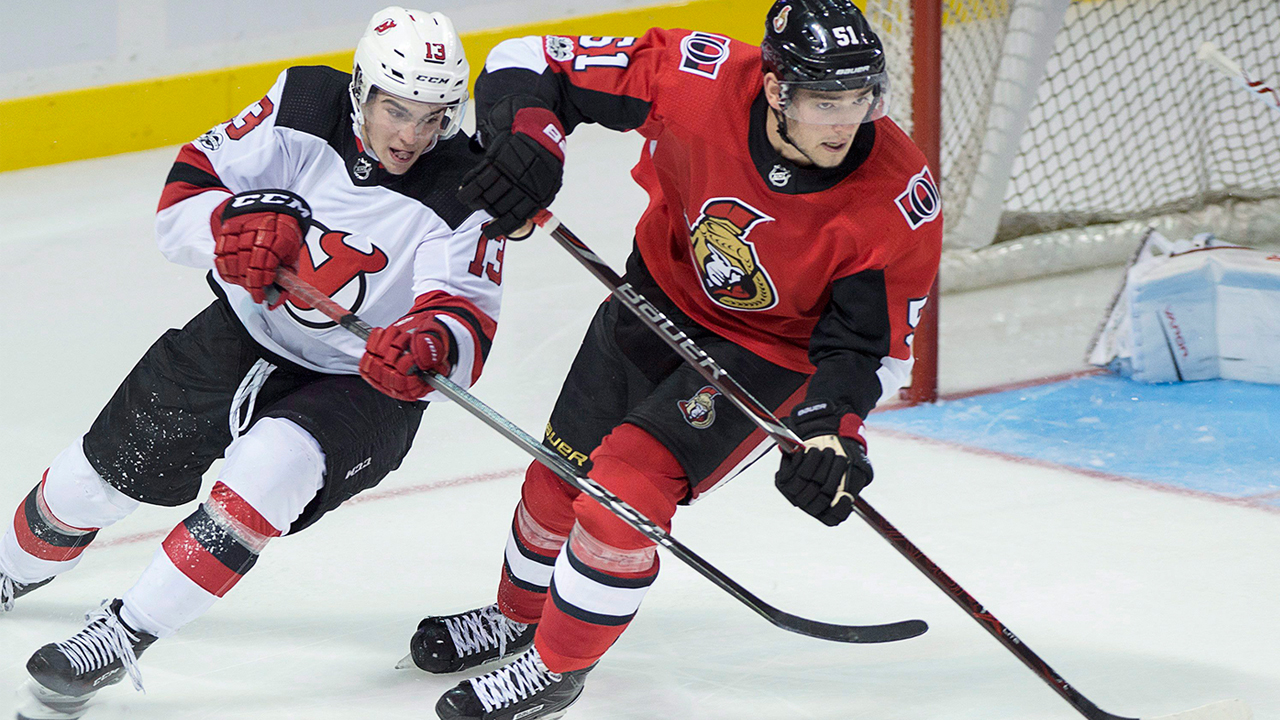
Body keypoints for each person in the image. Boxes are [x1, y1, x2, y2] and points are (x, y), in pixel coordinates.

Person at [401, 1, 944, 718]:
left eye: (860, 99)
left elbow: (865, 347)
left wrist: (832, 430)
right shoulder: (702, 78)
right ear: (778, 89)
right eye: (824, 102)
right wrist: (528, 141)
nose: (846, 123)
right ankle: (516, 617)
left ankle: (557, 668)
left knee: (622, 493)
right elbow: (530, 60)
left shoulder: (897, 199)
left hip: (769, 355)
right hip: (657, 295)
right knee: (556, 479)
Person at [0, 6, 504, 718]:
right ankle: (8, 571)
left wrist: (429, 343)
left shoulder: (467, 185)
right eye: (398, 110)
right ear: (361, 90)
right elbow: (182, 198)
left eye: (433, 116)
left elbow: (468, 319)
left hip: (360, 383)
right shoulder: (302, 101)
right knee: (92, 485)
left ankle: (121, 635)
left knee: (267, 470)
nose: (413, 135)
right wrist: (229, 226)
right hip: (241, 331)